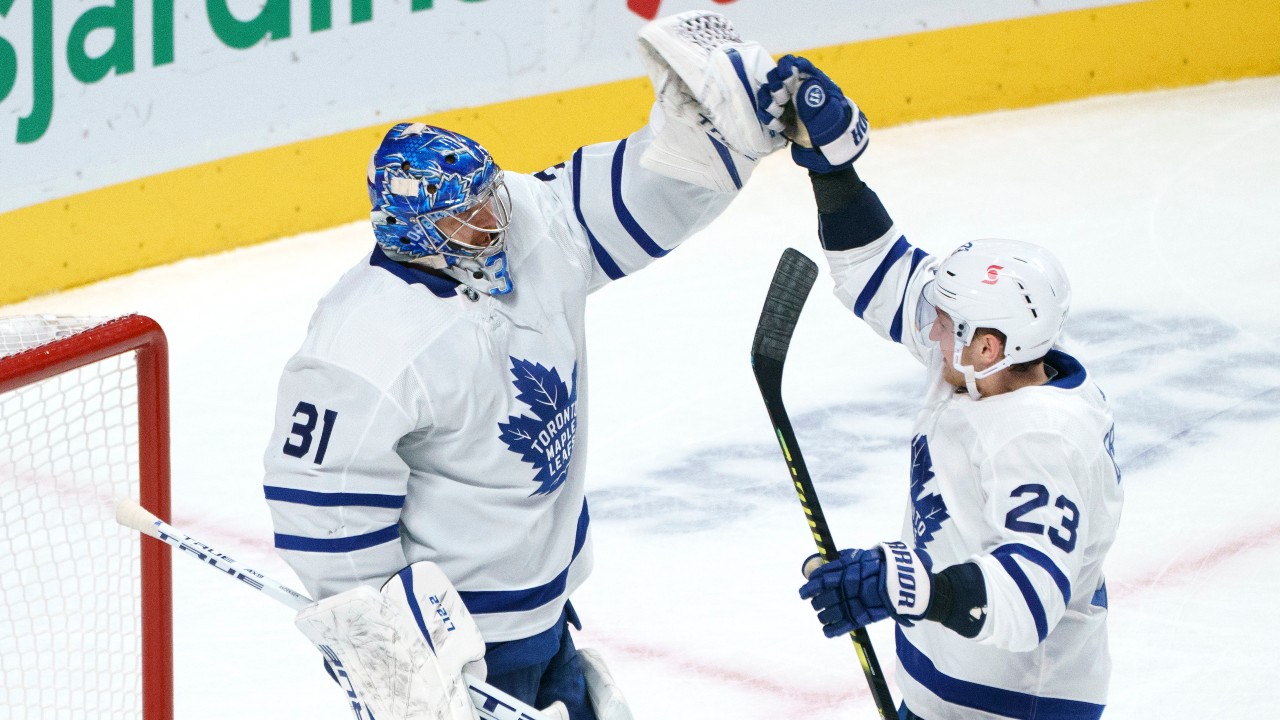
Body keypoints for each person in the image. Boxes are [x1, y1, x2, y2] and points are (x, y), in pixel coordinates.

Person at [261, 11, 784, 720]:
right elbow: (323, 511)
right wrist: (393, 657)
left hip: (550, 598)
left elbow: (634, 197)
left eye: (489, 196)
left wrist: (715, 137)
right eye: (464, 216)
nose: (492, 220)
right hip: (461, 641)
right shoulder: (361, 345)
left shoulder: (530, 222)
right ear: (412, 231)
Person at [756, 56, 1124, 719]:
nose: (930, 324)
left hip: (1015, 704)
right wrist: (833, 170)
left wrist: (908, 586)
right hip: (950, 687)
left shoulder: (1042, 437)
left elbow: (1028, 598)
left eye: (945, 320)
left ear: (987, 345)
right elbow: (884, 271)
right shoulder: (990, 365)